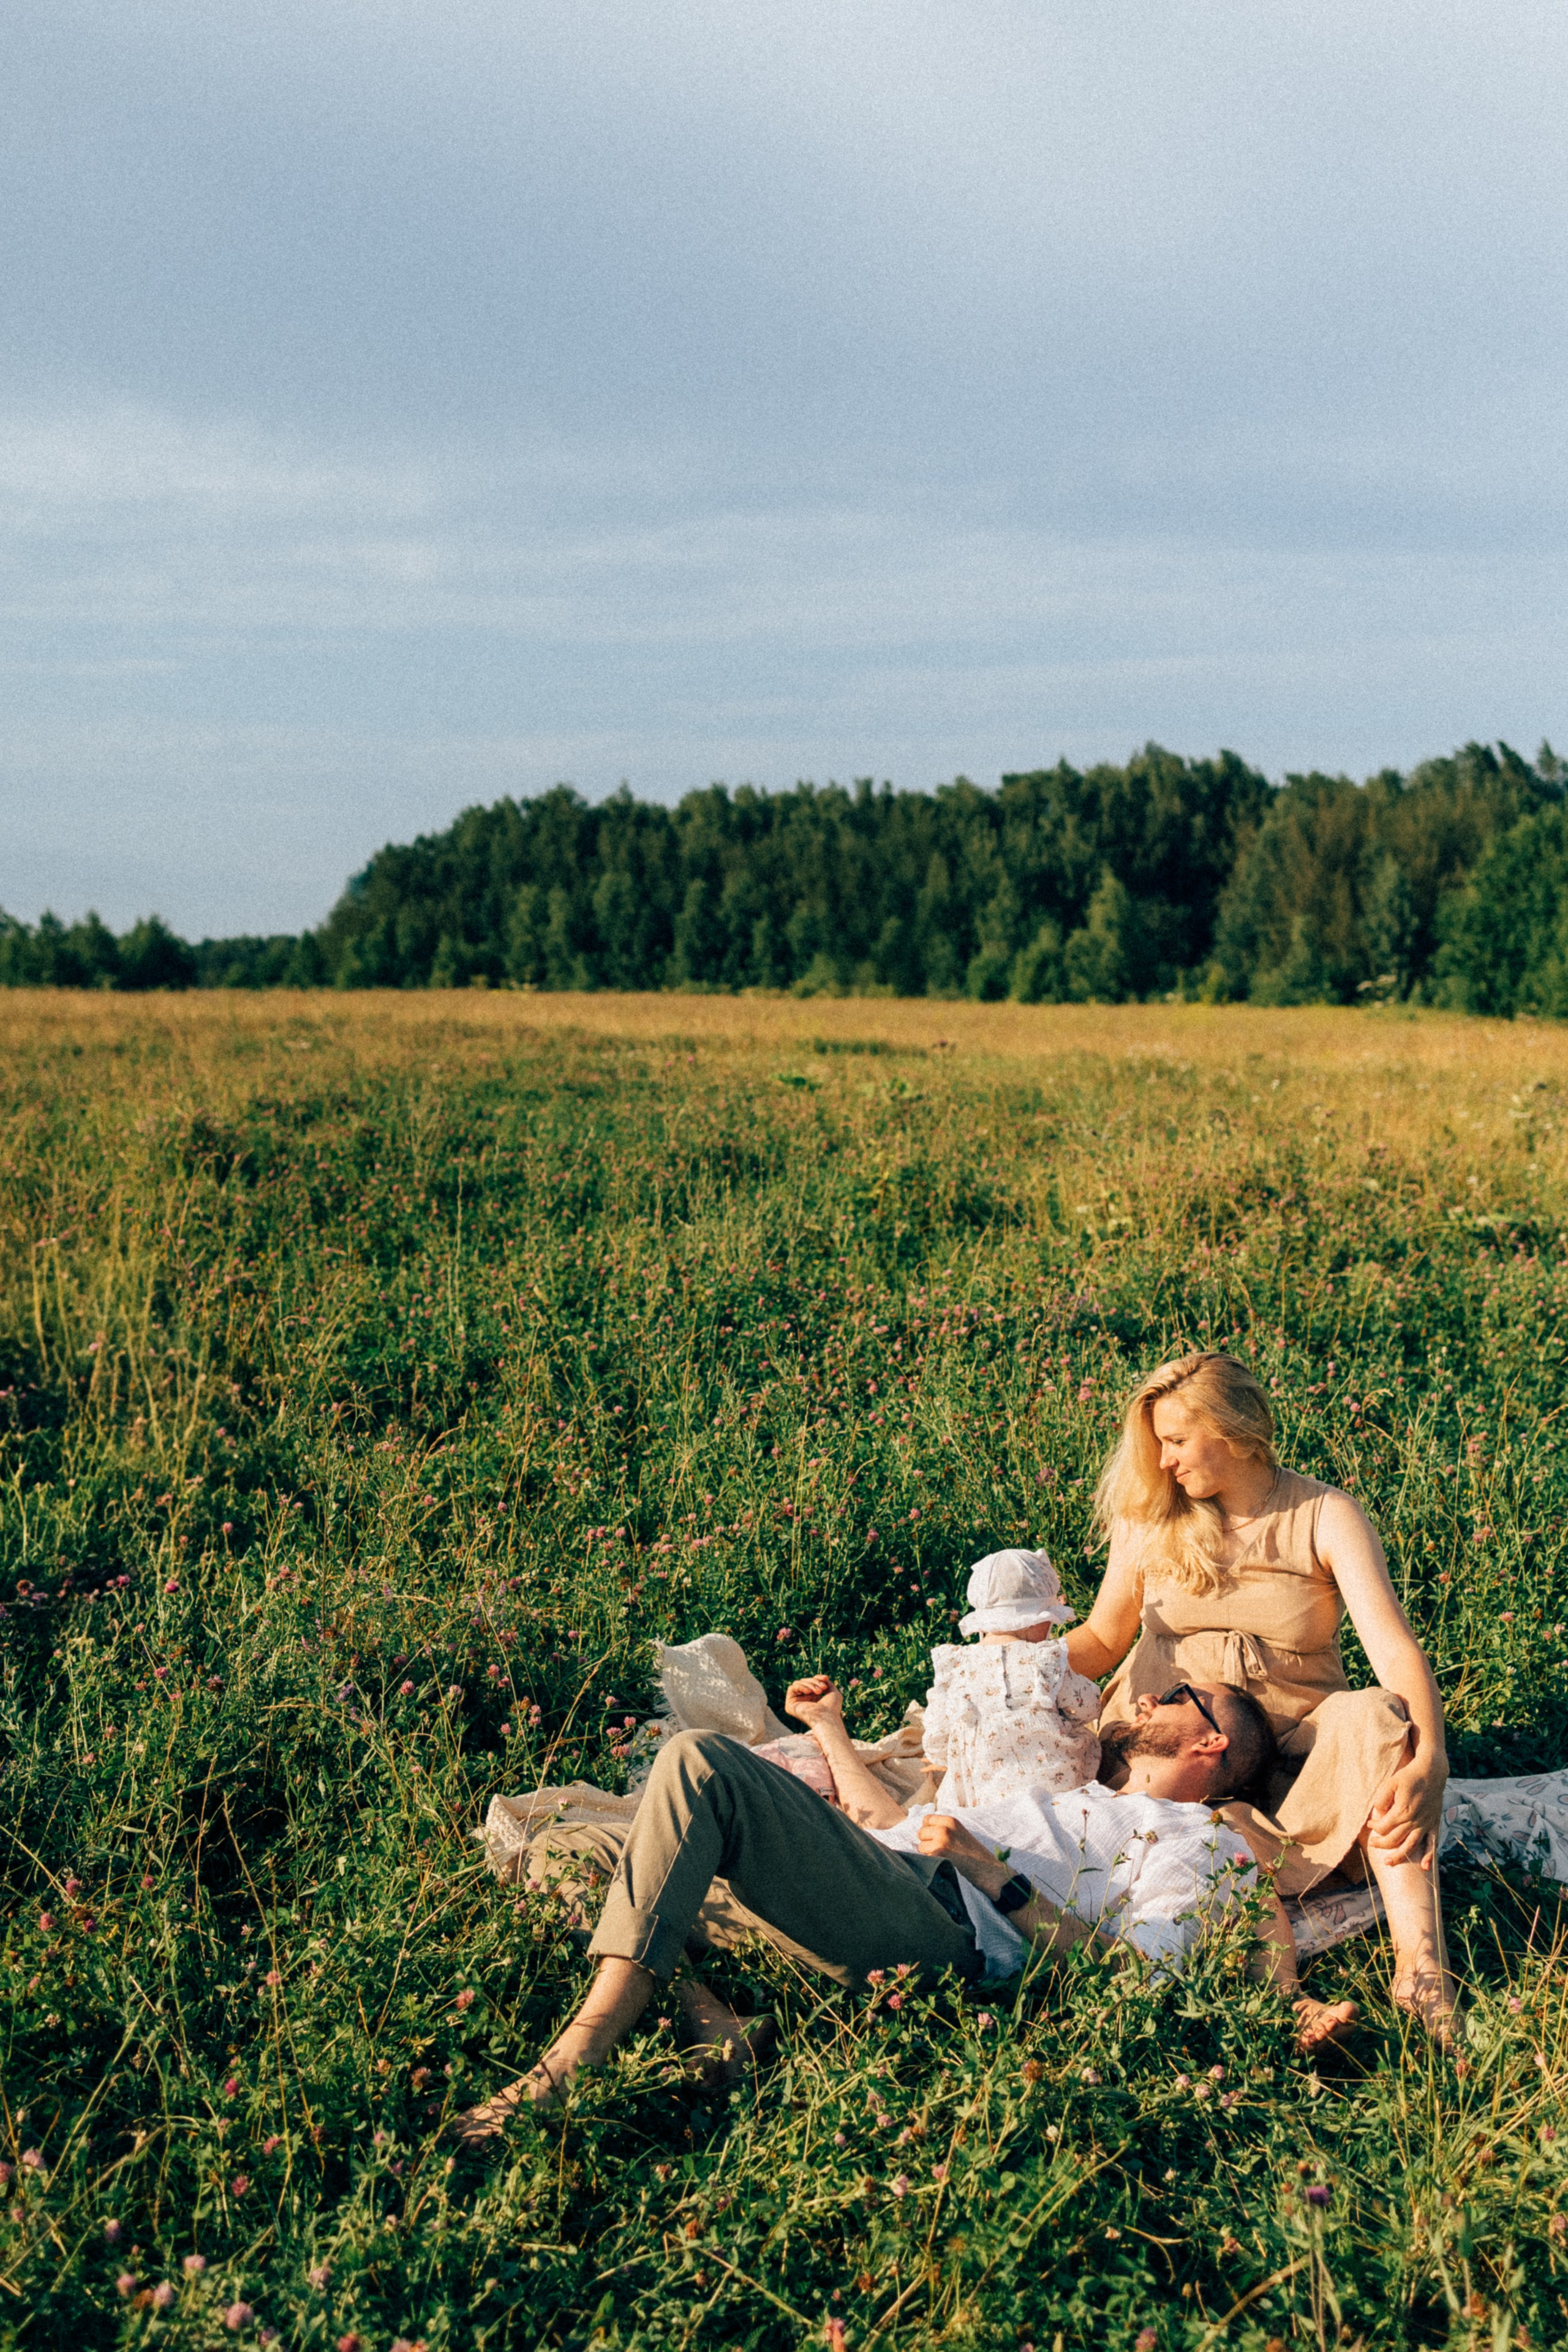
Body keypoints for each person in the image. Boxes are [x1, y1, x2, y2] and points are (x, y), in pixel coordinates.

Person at [452, 1674, 1298, 2138]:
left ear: (1210, 1741)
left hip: (940, 1929)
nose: (1150, 1696)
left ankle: (570, 2061)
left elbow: (1135, 1977)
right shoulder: (1079, 1794)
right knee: (556, 1844)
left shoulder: (1198, 1841)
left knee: (699, 1762)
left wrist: (991, 1871)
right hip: (874, 1879)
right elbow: (889, 1827)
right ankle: (712, 2020)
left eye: (1180, 1692)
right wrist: (830, 1729)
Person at [1066, 1349, 1454, 2038]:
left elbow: (1392, 1649)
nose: (1163, 1462)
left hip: (1291, 1757)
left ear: (1236, 1432)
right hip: (1169, 1749)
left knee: (1377, 1718)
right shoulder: (1151, 1517)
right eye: (1157, 1443)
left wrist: (1432, 1762)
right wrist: (1012, 1662)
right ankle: (1291, 2003)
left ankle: (1422, 1977)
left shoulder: (1323, 1514)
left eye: (1178, 1441)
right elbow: (1101, 1639)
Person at [918, 1547, 1102, 1807]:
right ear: (1036, 1622)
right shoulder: (1046, 1660)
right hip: (1050, 1785)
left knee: (957, 1793)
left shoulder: (956, 1666)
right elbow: (1089, 1706)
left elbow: (937, 1731)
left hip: (979, 1792)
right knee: (1083, 1749)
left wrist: (944, 1756)